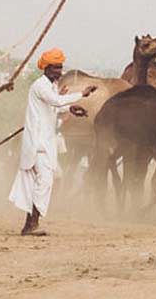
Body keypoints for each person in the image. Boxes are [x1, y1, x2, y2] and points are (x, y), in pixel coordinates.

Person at [9, 48, 94, 235]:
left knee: (40, 183)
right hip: (38, 144)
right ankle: (31, 225)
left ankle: (30, 225)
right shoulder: (40, 86)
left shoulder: (50, 87)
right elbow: (55, 101)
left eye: (60, 67)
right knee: (44, 182)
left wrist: (71, 109)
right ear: (46, 68)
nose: (60, 72)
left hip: (44, 143)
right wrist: (82, 94)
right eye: (56, 68)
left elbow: (53, 109)